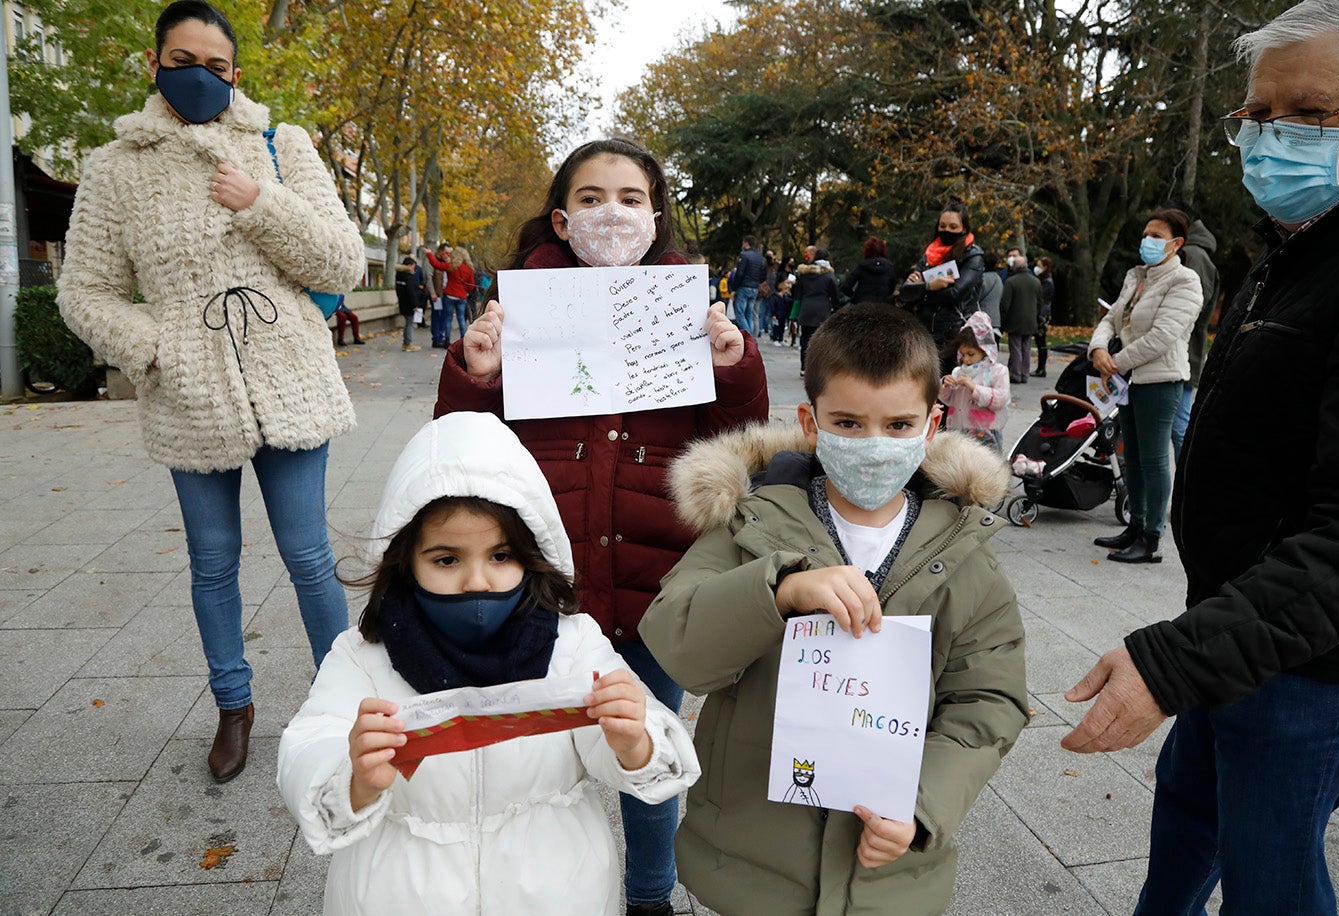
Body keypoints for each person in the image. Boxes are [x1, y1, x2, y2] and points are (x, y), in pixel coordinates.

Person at [1062, 7, 1339, 914]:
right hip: (1229, 627)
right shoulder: (1300, 247)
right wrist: (1197, 651)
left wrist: (1174, 666)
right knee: (1188, 829)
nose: (1273, 139)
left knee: (1271, 877)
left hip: (1311, 659)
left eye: (1308, 114)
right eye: (1257, 115)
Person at [432, 137, 769, 916]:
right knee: (542, 762)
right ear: (561, 218)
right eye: (590, 198)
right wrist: (476, 375)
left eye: (629, 198)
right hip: (548, 586)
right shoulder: (520, 312)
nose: (610, 213)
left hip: (657, 590)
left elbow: (735, 446)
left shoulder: (685, 311)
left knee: (648, 762)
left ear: (655, 216)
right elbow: (462, 451)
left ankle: (650, 897)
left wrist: (732, 366)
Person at [56, 0, 363, 782]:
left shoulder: (282, 145)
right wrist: (154, 348)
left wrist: (261, 203)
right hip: (187, 392)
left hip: (289, 377)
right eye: (182, 61)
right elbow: (84, 290)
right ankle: (234, 705)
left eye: (215, 66)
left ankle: (344, 705)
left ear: (236, 72)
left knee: (309, 555)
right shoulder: (113, 168)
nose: (199, 76)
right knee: (213, 561)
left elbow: (342, 262)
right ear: (154, 63)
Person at [640, 303, 1028, 916]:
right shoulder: (750, 524)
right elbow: (676, 640)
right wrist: (778, 591)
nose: (874, 446)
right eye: (848, 423)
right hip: (753, 861)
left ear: (932, 425)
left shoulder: (963, 554)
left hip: (885, 872)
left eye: (898, 425)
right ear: (811, 423)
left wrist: (921, 807)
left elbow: (988, 701)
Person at [277, 412, 700, 916]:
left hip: (558, 890)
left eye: (500, 556)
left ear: (532, 552)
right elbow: (310, 741)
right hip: (399, 892)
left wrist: (634, 740)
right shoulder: (363, 655)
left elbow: (638, 750)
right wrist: (353, 778)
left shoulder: (572, 643)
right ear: (405, 559)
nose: (477, 581)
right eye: (446, 559)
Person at [1088, 208, 1202, 563]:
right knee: (1132, 457)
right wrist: (1098, 349)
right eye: (1145, 234)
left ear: (1176, 243)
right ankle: (1134, 525)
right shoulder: (1136, 275)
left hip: (1159, 380)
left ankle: (1151, 538)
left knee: (1154, 459)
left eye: (1156, 236)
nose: (1147, 241)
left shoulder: (1185, 281)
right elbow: (1112, 318)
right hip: (1128, 380)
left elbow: (1162, 336)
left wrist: (1115, 363)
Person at [1162, 200, 1221, 460]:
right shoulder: (1187, 251)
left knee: (1179, 428)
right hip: (1174, 355)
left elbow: (1188, 311)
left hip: (1181, 356)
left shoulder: (1194, 256)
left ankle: (1185, 480)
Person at [900, 201, 987, 371]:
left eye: (953, 227)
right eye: (942, 226)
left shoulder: (973, 257)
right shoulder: (928, 255)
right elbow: (905, 292)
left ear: (963, 229)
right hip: (923, 331)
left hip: (954, 334)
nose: (947, 230)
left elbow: (955, 294)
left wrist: (920, 291)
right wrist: (929, 286)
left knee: (948, 383)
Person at [940, 312, 1011, 451]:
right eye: (962, 354)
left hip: (985, 431)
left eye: (971, 354)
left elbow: (1001, 399)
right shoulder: (958, 371)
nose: (966, 359)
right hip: (958, 429)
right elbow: (947, 399)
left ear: (984, 350)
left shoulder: (998, 371)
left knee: (985, 462)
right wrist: (945, 385)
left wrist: (975, 388)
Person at [794, 246, 840, 378]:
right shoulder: (829, 275)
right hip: (822, 309)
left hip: (806, 308)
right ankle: (817, 367)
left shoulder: (804, 274)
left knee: (805, 338)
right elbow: (835, 295)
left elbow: (798, 293)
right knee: (820, 338)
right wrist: (836, 310)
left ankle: (804, 366)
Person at [422, 242, 475, 348]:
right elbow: (471, 285)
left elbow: (436, 265)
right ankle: (464, 340)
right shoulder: (469, 269)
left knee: (448, 319)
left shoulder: (451, 266)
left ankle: (447, 340)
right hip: (461, 296)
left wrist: (429, 253)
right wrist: (464, 290)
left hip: (449, 295)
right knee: (461, 319)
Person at [1000, 253, 1041, 383]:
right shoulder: (1036, 281)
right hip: (1030, 320)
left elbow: (1005, 304)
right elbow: (1040, 302)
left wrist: (1003, 321)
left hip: (1015, 320)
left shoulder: (1011, 282)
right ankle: (1025, 374)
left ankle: (1016, 374)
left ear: (1014, 267)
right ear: (1026, 265)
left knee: (1016, 348)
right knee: (1026, 348)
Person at [840, 235, 896, 305]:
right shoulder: (889, 267)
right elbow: (891, 288)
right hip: (882, 305)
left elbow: (846, 287)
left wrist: (855, 297)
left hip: (862, 305)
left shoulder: (862, 266)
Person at [732, 235, 768, 336]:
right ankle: (751, 336)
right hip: (754, 288)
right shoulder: (760, 257)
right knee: (749, 314)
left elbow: (739, 273)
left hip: (744, 287)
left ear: (746, 243)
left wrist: (734, 289)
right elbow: (763, 274)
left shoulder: (744, 255)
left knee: (740, 313)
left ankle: (748, 336)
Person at [1032, 256, 1056, 377]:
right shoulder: (1043, 280)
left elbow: (1041, 298)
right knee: (1039, 340)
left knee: (1041, 340)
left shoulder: (1047, 283)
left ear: (1045, 267)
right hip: (1042, 312)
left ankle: (1041, 368)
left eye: (1039, 265)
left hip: (1042, 314)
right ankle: (1040, 368)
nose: (1036, 268)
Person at [394, 256, 424, 351]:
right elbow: (411, 292)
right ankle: (408, 343)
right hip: (409, 304)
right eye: (413, 266)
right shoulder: (409, 277)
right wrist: (415, 305)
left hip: (402, 302)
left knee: (408, 322)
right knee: (409, 323)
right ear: (410, 265)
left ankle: (406, 342)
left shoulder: (399, 275)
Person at [978, 250, 1004, 334]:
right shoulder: (998, 279)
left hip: (982, 320)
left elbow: (976, 298)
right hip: (996, 320)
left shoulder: (982, 279)